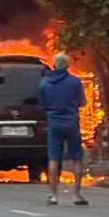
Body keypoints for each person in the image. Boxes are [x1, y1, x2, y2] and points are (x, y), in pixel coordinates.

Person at [38, 52, 89, 206]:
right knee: (76, 157)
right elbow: (82, 102)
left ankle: (54, 195)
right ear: (67, 65)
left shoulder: (45, 83)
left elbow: (42, 105)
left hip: (54, 123)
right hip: (72, 122)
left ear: (54, 65)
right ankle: (76, 195)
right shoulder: (75, 82)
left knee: (54, 158)